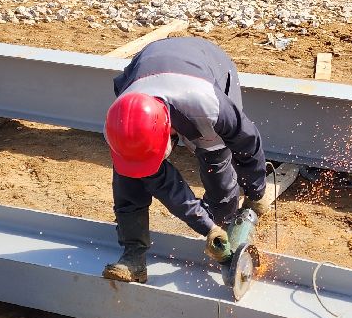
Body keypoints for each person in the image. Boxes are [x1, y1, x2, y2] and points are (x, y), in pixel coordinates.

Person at [102, 37, 271, 283]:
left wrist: (256, 190)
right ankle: (133, 255)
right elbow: (164, 185)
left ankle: (228, 230)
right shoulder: (119, 125)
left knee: (219, 175)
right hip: (148, 68)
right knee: (128, 180)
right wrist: (206, 227)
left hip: (209, 67)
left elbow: (248, 143)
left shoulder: (210, 107)